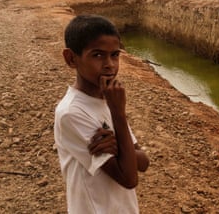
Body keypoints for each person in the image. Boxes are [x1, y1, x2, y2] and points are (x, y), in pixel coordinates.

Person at [54, 14, 149, 213]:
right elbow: (129, 178)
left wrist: (117, 145)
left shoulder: (107, 99)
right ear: (71, 58)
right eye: (97, 55)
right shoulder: (71, 112)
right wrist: (118, 115)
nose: (110, 65)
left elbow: (143, 162)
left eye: (115, 55)